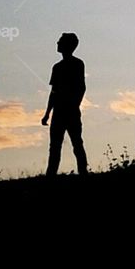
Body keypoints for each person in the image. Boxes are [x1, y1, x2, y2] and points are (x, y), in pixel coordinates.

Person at [42, 32, 88, 177]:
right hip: (59, 112)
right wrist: (47, 113)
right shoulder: (57, 67)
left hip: (70, 111)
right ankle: (51, 174)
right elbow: (53, 92)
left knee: (76, 143)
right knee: (55, 146)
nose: (57, 43)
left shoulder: (78, 64)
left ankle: (83, 172)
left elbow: (81, 87)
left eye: (60, 41)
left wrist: (75, 105)